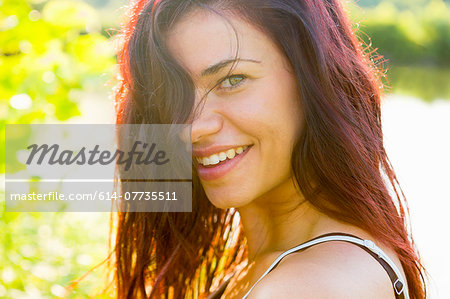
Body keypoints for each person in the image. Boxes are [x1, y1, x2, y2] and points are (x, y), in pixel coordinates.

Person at [113, 0, 427, 298]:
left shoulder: (313, 286)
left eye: (233, 79)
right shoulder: (282, 265)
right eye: (171, 94)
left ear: (314, 79)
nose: (191, 127)